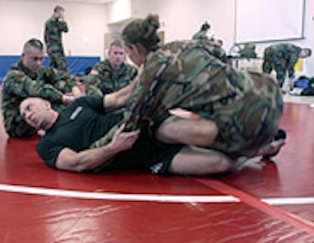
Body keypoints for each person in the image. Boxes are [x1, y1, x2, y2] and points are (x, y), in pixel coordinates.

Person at [92, 14, 285, 165]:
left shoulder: (151, 74)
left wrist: (93, 151)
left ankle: (253, 148)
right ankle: (266, 140)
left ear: (134, 49)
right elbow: (218, 51)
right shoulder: (184, 43)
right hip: (270, 94)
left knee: (156, 128)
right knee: (204, 108)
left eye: (126, 52)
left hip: (241, 125)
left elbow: (130, 126)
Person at [19, 89, 283, 176]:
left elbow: (121, 97)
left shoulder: (79, 104)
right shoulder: (46, 146)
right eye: (24, 116)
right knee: (221, 163)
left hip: (144, 129)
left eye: (29, 107)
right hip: (142, 158)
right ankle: (256, 150)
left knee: (203, 134)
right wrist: (113, 148)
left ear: (45, 102)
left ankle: (259, 141)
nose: (28, 115)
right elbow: (76, 163)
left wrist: (146, 69)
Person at [1, 38, 82, 138]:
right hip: (17, 124)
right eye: (34, 59)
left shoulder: (40, 70)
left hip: (35, 117)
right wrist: (64, 98)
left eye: (42, 59)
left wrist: (74, 89)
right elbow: (36, 91)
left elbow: (62, 76)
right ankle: (68, 129)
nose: (39, 63)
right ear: (23, 56)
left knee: (59, 86)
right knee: (52, 101)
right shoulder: (13, 76)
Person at [44, 5, 69, 71]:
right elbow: (51, 35)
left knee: (55, 67)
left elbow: (66, 30)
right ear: (57, 12)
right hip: (54, 48)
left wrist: (63, 21)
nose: (62, 14)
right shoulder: (51, 21)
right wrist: (61, 22)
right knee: (61, 66)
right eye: (61, 12)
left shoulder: (58, 21)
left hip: (57, 47)